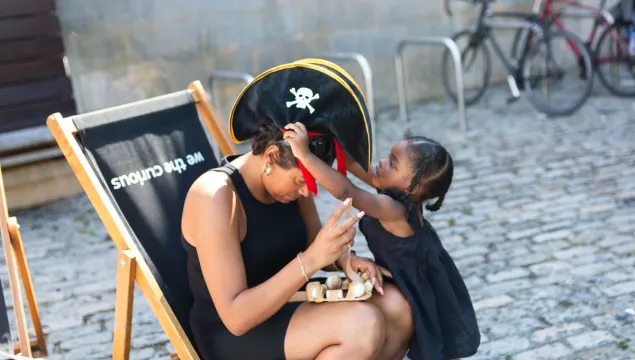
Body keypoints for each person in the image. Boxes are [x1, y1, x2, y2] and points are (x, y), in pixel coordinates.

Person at [181, 61, 413, 360]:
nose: (308, 192)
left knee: (398, 308)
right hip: (235, 332)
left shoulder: (293, 183)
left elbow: (314, 244)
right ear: (273, 155)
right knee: (361, 326)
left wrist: (346, 260)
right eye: (301, 181)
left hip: (292, 302)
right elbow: (236, 317)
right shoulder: (216, 196)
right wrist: (315, 257)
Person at [283, 122, 481, 360]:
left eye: (392, 164)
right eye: (389, 157)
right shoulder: (401, 192)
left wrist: (304, 155)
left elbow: (347, 191)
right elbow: (355, 166)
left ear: (411, 185)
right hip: (420, 275)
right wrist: (334, 140)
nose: (382, 163)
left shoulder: (392, 208)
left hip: (414, 286)